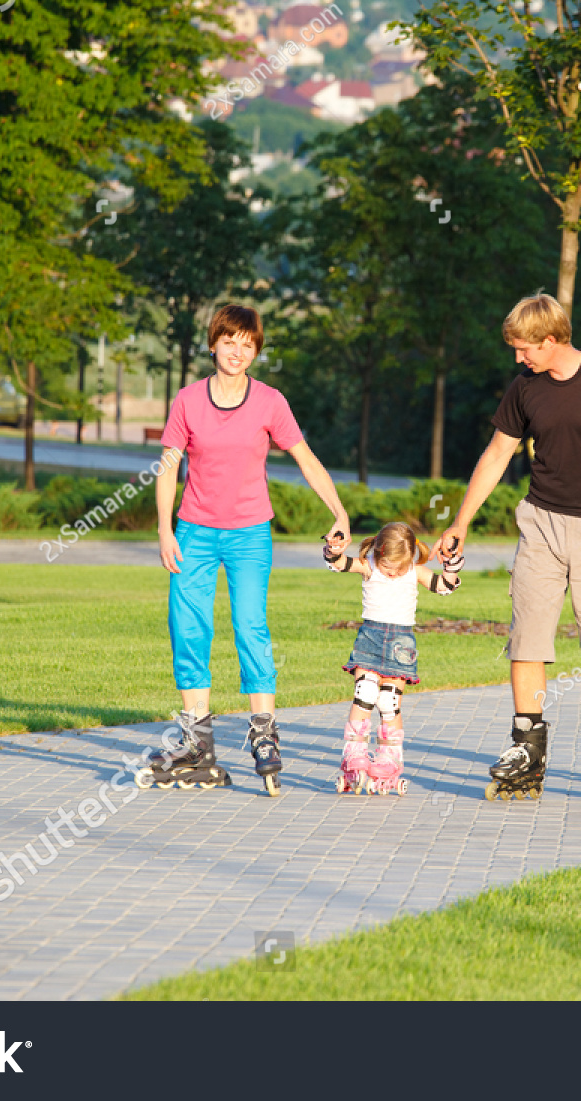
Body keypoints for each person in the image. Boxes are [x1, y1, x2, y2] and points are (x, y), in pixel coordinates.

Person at [436, 293, 581, 803]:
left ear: (551, 340)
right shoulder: (525, 387)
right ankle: (526, 745)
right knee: (529, 634)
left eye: (524, 349)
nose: (518, 358)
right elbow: (498, 452)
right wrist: (460, 521)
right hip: (541, 523)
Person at [136, 304, 350, 798]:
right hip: (193, 531)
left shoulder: (270, 402)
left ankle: (263, 732)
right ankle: (196, 743)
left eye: (247, 344)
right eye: (229, 341)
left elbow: (305, 458)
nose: (238, 351)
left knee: (250, 624)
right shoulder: (188, 400)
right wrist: (165, 529)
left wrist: (338, 510)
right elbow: (168, 466)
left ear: (256, 350)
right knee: (188, 628)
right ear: (213, 344)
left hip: (251, 533)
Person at [323, 523, 464, 795]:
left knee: (389, 702)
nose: (394, 572)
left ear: (411, 556)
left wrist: (452, 563)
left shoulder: (415, 571)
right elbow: (340, 563)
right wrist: (333, 549)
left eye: (400, 567)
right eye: (389, 566)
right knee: (364, 694)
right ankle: (355, 753)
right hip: (370, 641)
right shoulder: (369, 565)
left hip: (401, 645)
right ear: (378, 552)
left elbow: (444, 585)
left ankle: (389, 758)